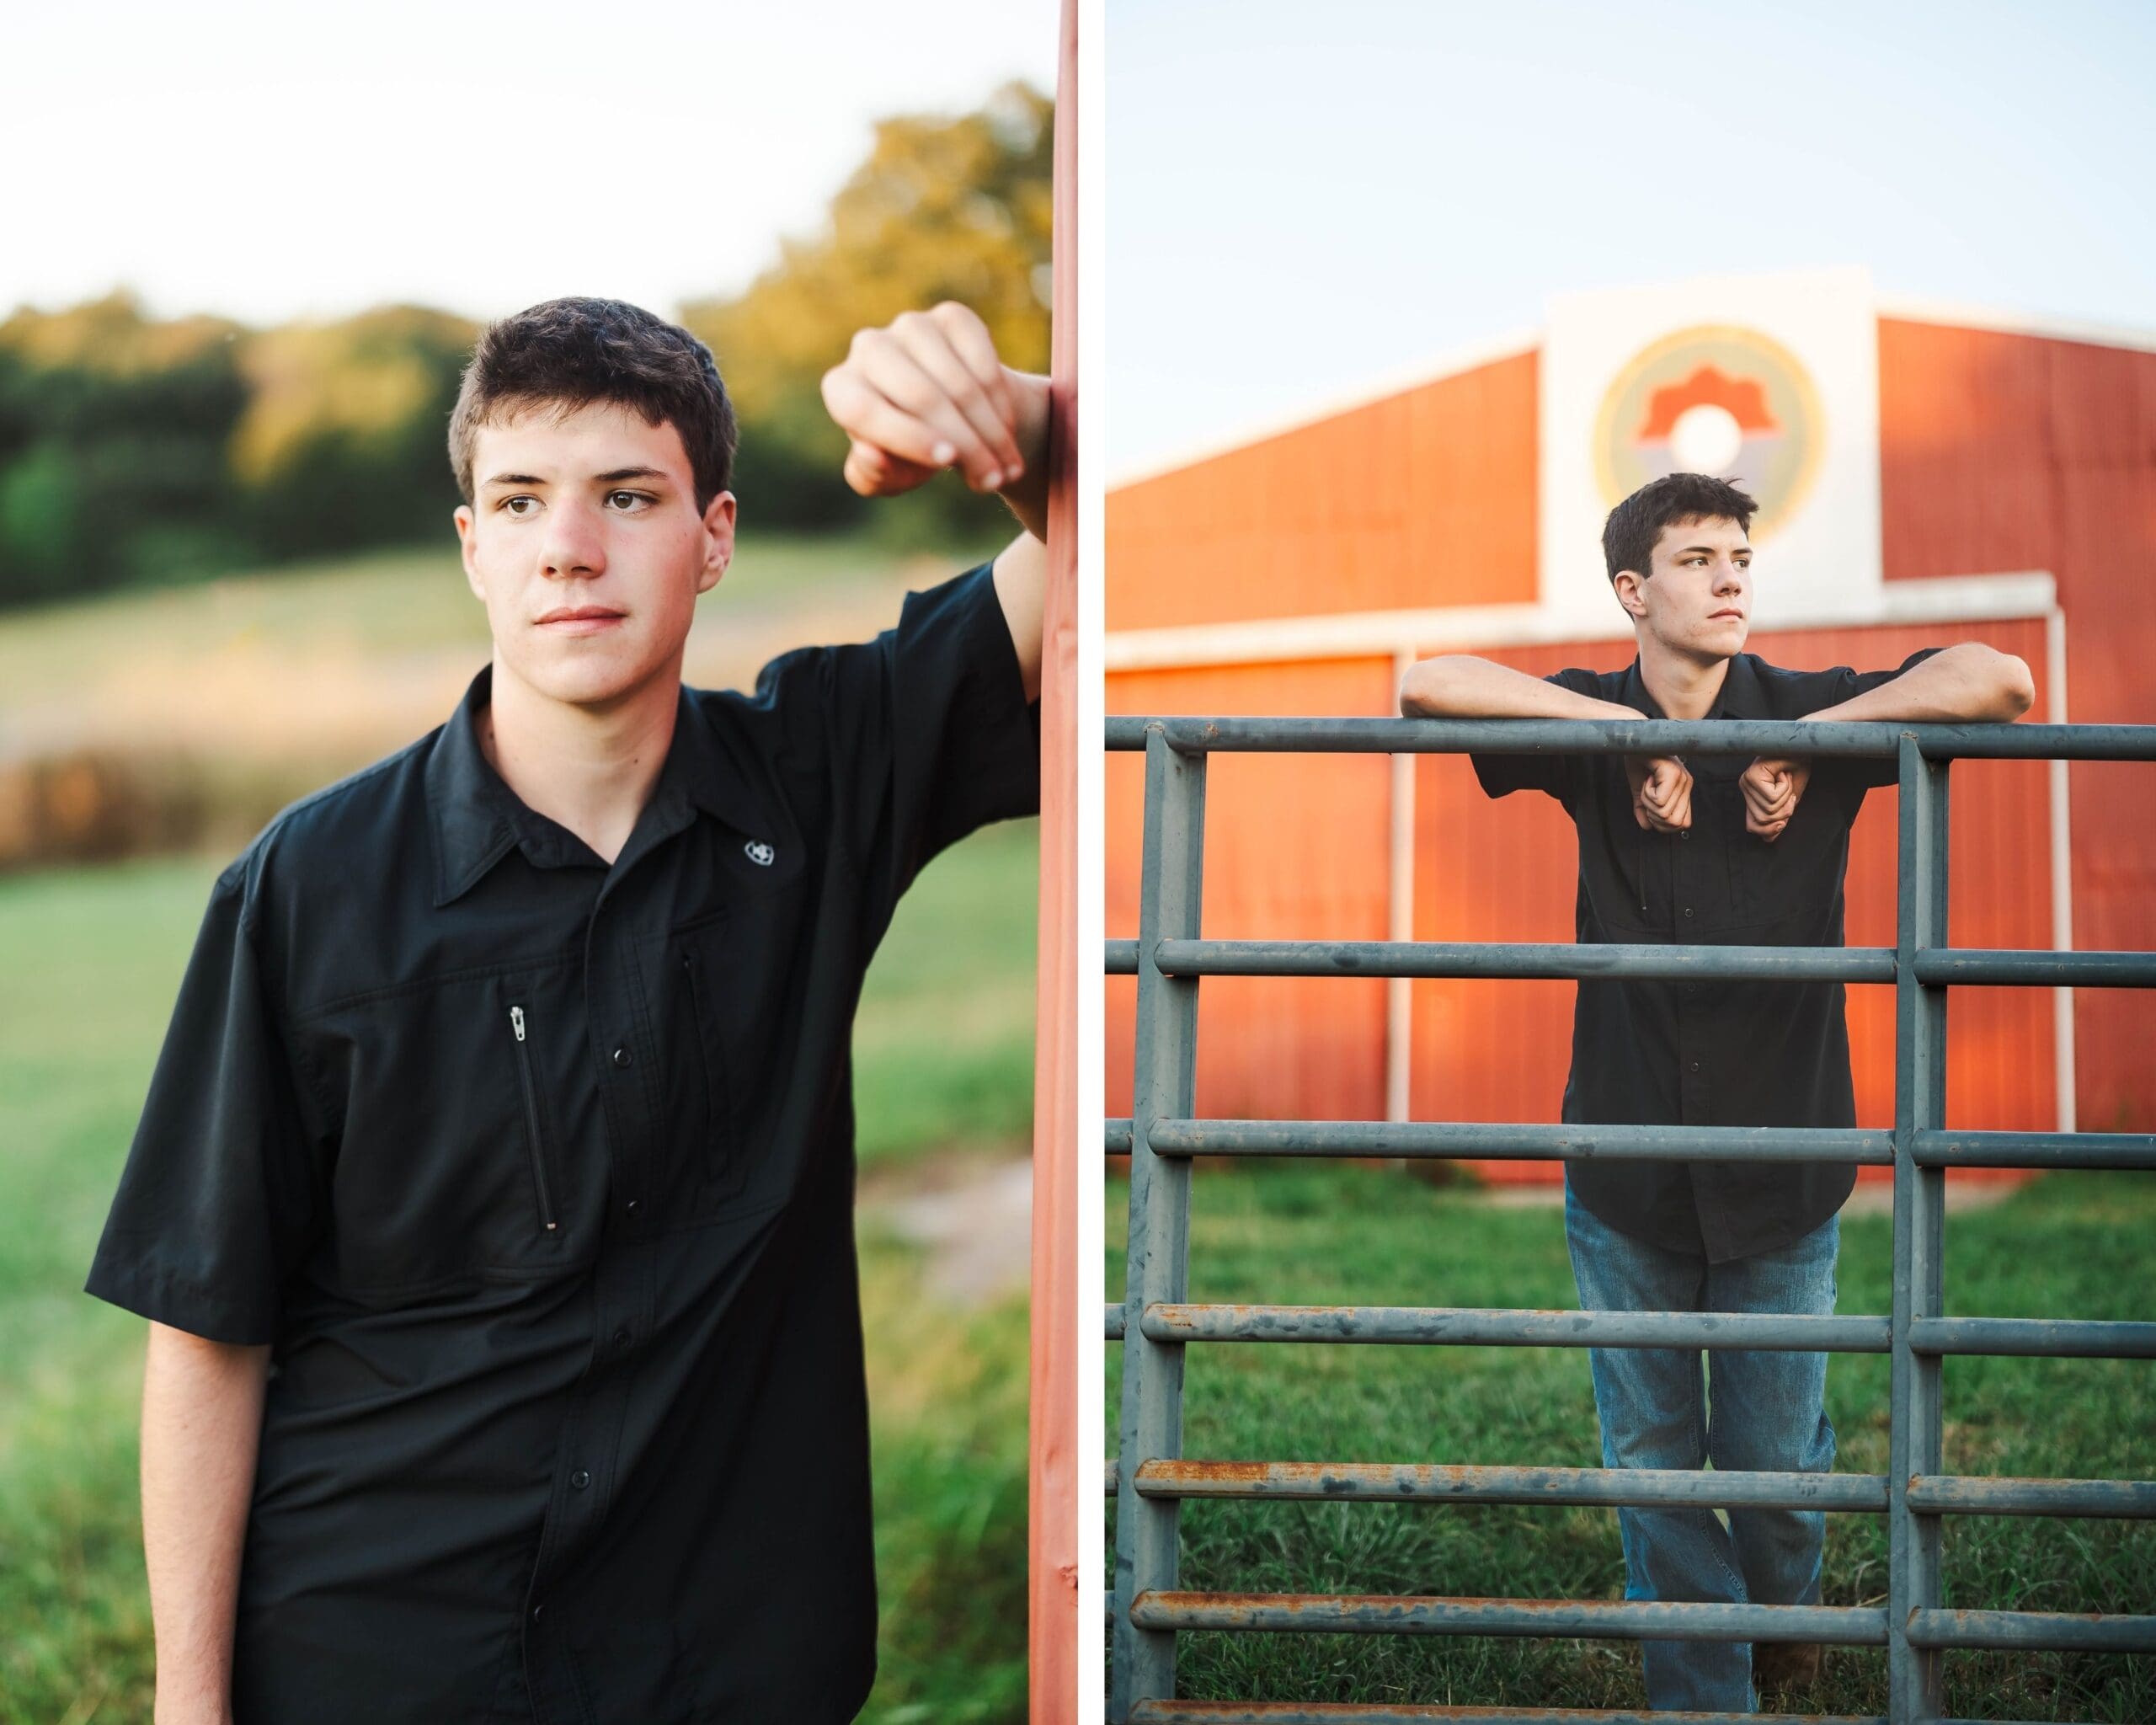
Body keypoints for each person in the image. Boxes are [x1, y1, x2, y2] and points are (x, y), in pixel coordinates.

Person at [85, 295, 1052, 1724]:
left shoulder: (818, 779)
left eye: (628, 494)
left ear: (713, 534)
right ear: (475, 546)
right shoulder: (312, 884)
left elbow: (1095, 569)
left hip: (721, 1667)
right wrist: (189, 1702)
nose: (571, 547)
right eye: (522, 499)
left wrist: (1026, 430)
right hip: (378, 1662)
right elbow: (209, 1326)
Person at [1398, 473, 2032, 1712]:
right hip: (1626, 1168)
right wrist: (1625, 739)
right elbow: (1430, 680)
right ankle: (1707, 1693)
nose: (1731, 576)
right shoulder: (1586, 716)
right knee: (1652, 1462)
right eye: (1696, 560)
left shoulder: (1809, 710)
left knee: (1773, 1474)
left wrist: (1804, 743)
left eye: (1740, 556)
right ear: (1632, 592)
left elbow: (2001, 679)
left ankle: (1782, 1610)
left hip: (1784, 1168)